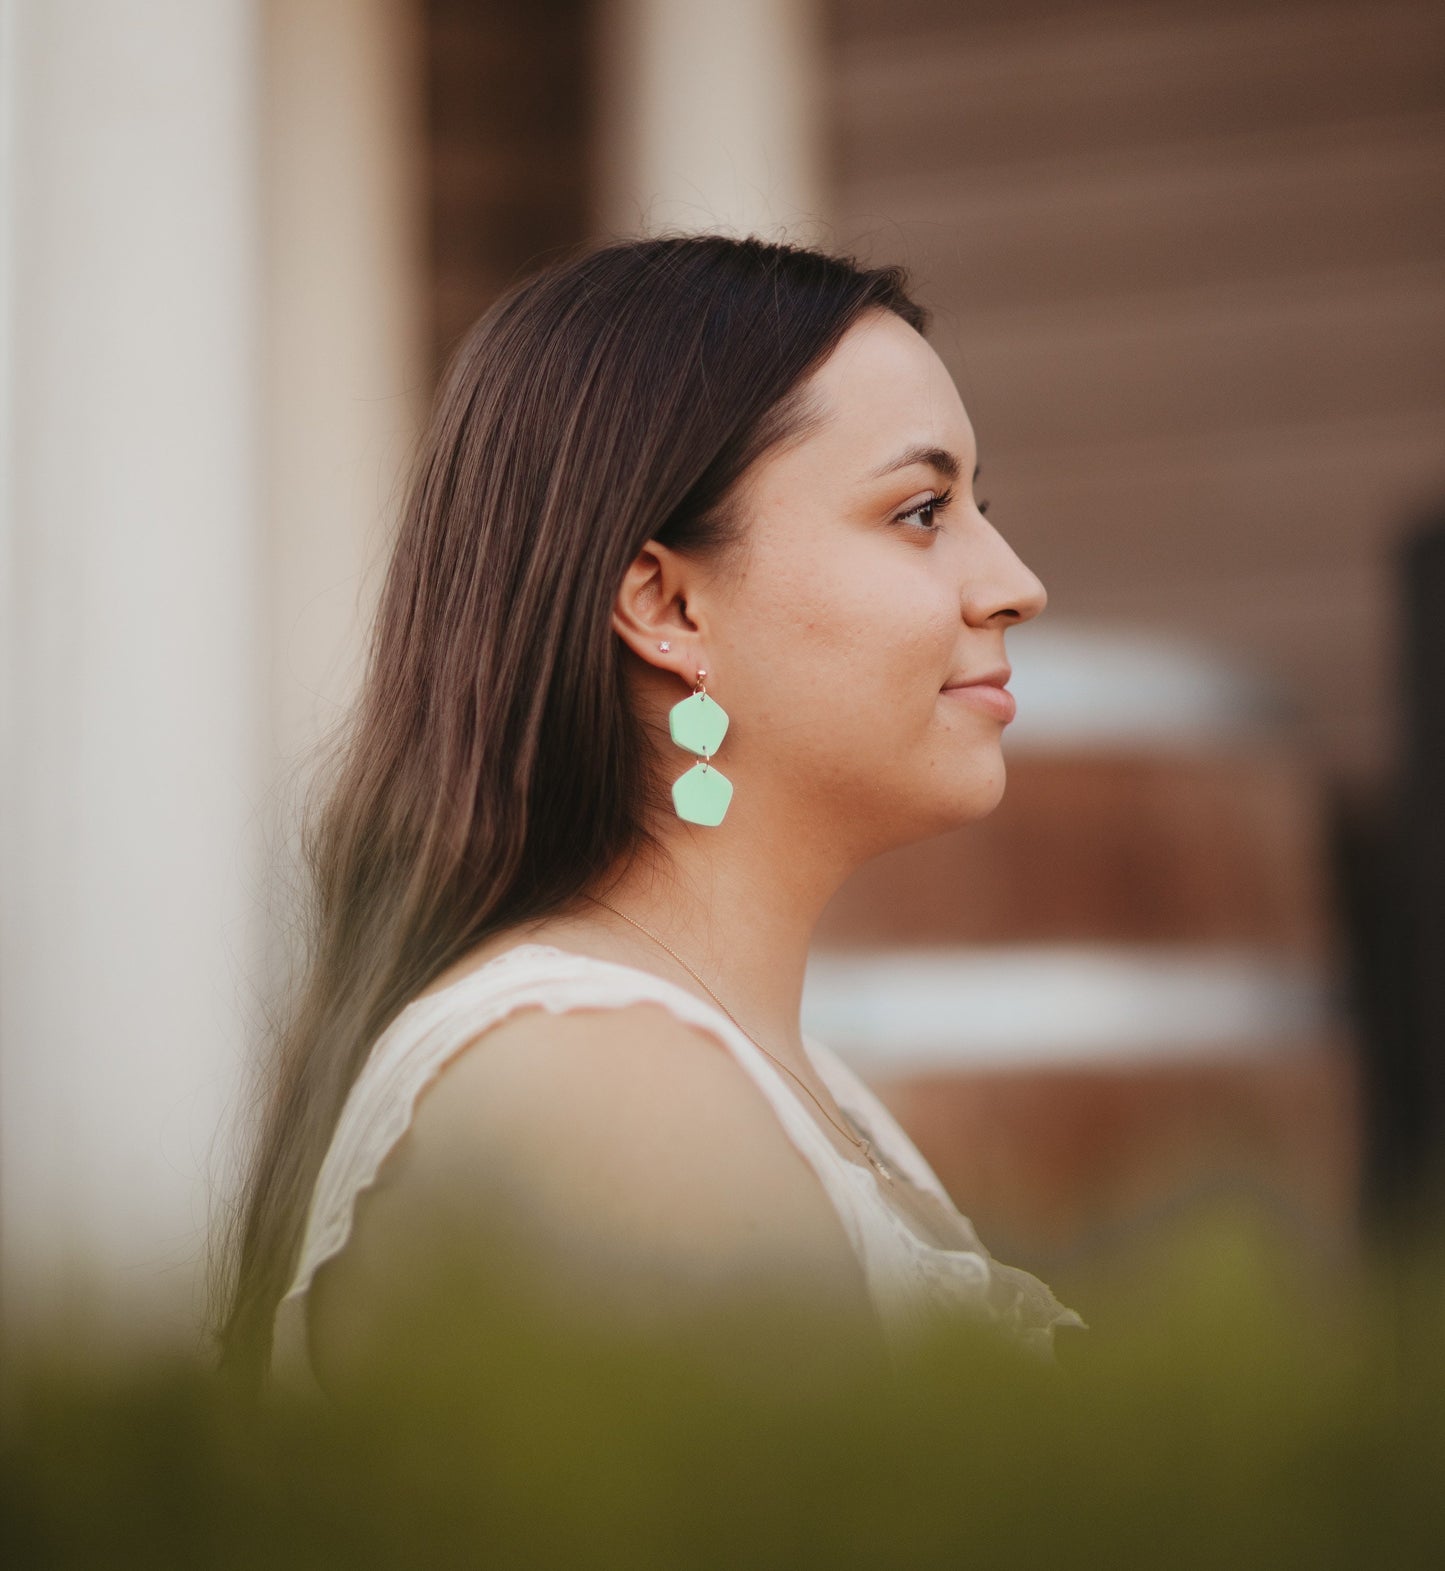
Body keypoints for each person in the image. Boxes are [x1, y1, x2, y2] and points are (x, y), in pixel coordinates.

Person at [209, 232, 1086, 1402]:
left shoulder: (760, 1071)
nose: (1014, 581)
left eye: (980, 505)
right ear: (667, 602)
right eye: (922, 510)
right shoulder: (600, 1089)